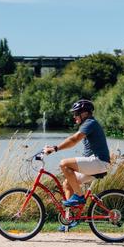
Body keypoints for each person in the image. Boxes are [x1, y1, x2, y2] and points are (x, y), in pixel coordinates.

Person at [43, 99, 110, 232]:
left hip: (98, 162)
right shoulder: (88, 124)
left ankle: (79, 197)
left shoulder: (90, 123)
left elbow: (74, 140)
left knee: (64, 164)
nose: (74, 117)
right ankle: (70, 219)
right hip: (94, 163)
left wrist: (55, 148)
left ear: (84, 113)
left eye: (76, 113)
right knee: (67, 184)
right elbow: (73, 141)